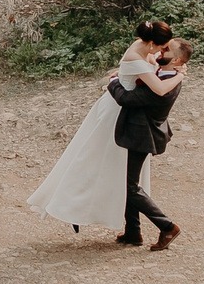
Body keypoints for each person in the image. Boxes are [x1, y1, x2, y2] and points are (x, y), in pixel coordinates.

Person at [24, 19, 182, 244]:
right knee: (107, 168)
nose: (162, 52)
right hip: (117, 115)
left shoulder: (142, 47)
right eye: (161, 47)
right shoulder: (138, 57)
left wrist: (123, 75)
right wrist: (180, 75)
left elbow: (147, 65)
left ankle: (133, 231)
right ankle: (154, 227)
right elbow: (158, 88)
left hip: (123, 113)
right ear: (152, 43)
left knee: (124, 175)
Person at [110, 37, 186, 249]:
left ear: (177, 60)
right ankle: (133, 231)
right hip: (140, 132)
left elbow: (126, 98)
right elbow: (149, 64)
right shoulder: (166, 74)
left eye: (167, 50)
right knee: (129, 183)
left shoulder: (164, 87)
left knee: (130, 187)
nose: (161, 51)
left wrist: (114, 82)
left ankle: (167, 226)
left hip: (141, 135)